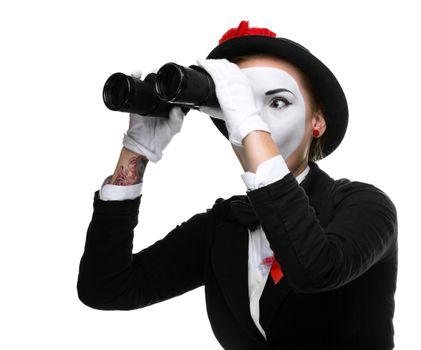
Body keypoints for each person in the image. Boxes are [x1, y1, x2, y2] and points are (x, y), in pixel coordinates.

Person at [77, 20, 398, 350]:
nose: (253, 120)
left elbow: (315, 269)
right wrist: (138, 150)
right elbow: (105, 287)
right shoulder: (223, 226)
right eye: (241, 106)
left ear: (316, 122)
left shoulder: (366, 207)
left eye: (276, 102)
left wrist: (249, 122)